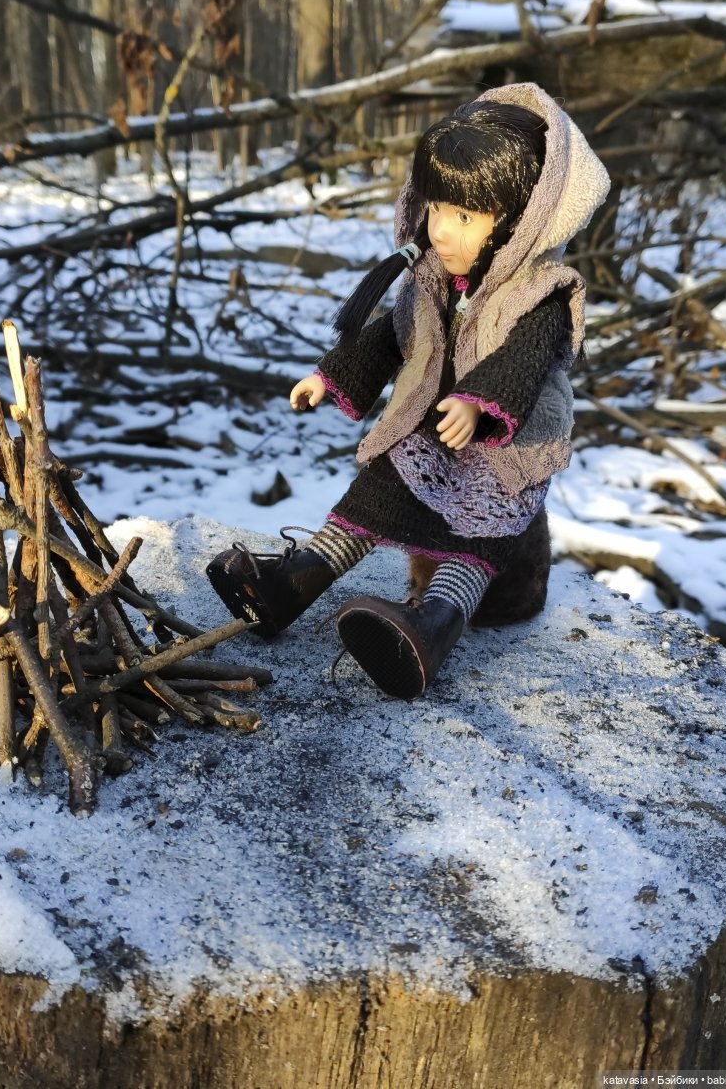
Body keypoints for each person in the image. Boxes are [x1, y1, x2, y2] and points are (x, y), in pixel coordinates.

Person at [206, 83, 610, 699]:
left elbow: (525, 361)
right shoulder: (427, 278)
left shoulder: (543, 293)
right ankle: (293, 584)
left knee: (473, 536)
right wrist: (330, 374)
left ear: (523, 223)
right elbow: (386, 339)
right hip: (424, 428)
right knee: (372, 498)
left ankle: (431, 628)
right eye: (437, 208)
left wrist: (480, 401)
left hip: (502, 449)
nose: (442, 231)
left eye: (465, 217)